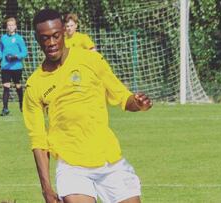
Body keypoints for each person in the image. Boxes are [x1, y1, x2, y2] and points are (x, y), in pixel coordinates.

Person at [23, 8, 153, 203]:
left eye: (55, 36)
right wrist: (46, 189)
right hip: (71, 166)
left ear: (64, 33)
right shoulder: (34, 84)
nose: (51, 43)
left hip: (109, 160)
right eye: (44, 38)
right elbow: (38, 141)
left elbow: (123, 97)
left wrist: (138, 103)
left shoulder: (91, 60)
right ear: (36, 39)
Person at [0, 17, 28, 116]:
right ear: (7, 27)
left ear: (15, 27)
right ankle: (5, 108)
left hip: (16, 67)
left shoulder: (19, 38)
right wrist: (0, 57)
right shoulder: (3, 38)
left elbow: (24, 52)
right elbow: (1, 49)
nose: (10, 27)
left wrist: (16, 57)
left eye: (12, 25)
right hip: (5, 67)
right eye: (8, 25)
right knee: (6, 86)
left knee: (18, 86)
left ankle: (22, 105)